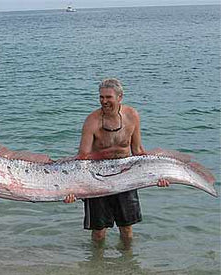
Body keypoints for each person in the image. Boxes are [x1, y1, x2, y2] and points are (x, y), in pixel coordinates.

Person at [63, 78, 169, 243]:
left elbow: (138, 151)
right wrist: (72, 189)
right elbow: (82, 157)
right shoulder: (92, 121)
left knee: (126, 228)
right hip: (97, 178)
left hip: (125, 175)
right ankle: (96, 265)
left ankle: (128, 265)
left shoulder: (132, 116)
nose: (104, 101)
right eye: (101, 97)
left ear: (120, 97)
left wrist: (157, 176)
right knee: (98, 231)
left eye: (108, 97)